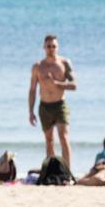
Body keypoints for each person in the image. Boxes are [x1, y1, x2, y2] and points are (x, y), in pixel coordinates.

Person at [28, 34, 77, 172]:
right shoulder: (38, 66)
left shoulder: (64, 63)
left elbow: (74, 85)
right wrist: (30, 111)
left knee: (64, 137)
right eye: (48, 46)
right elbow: (32, 90)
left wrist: (57, 84)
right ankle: (51, 172)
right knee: (49, 140)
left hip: (60, 105)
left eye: (54, 46)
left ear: (57, 47)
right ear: (44, 47)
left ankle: (67, 172)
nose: (51, 49)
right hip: (45, 106)